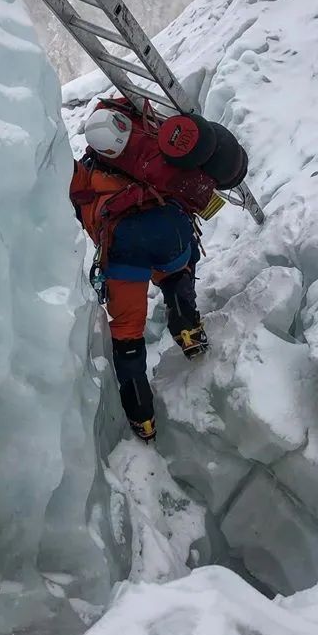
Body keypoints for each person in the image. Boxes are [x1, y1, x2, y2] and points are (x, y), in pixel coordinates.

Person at [70, 100, 214, 442]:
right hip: (171, 232)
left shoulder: (84, 178)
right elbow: (132, 104)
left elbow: (57, 177)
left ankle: (142, 417)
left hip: (125, 254)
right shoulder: (141, 147)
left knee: (128, 334)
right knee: (177, 269)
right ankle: (187, 328)